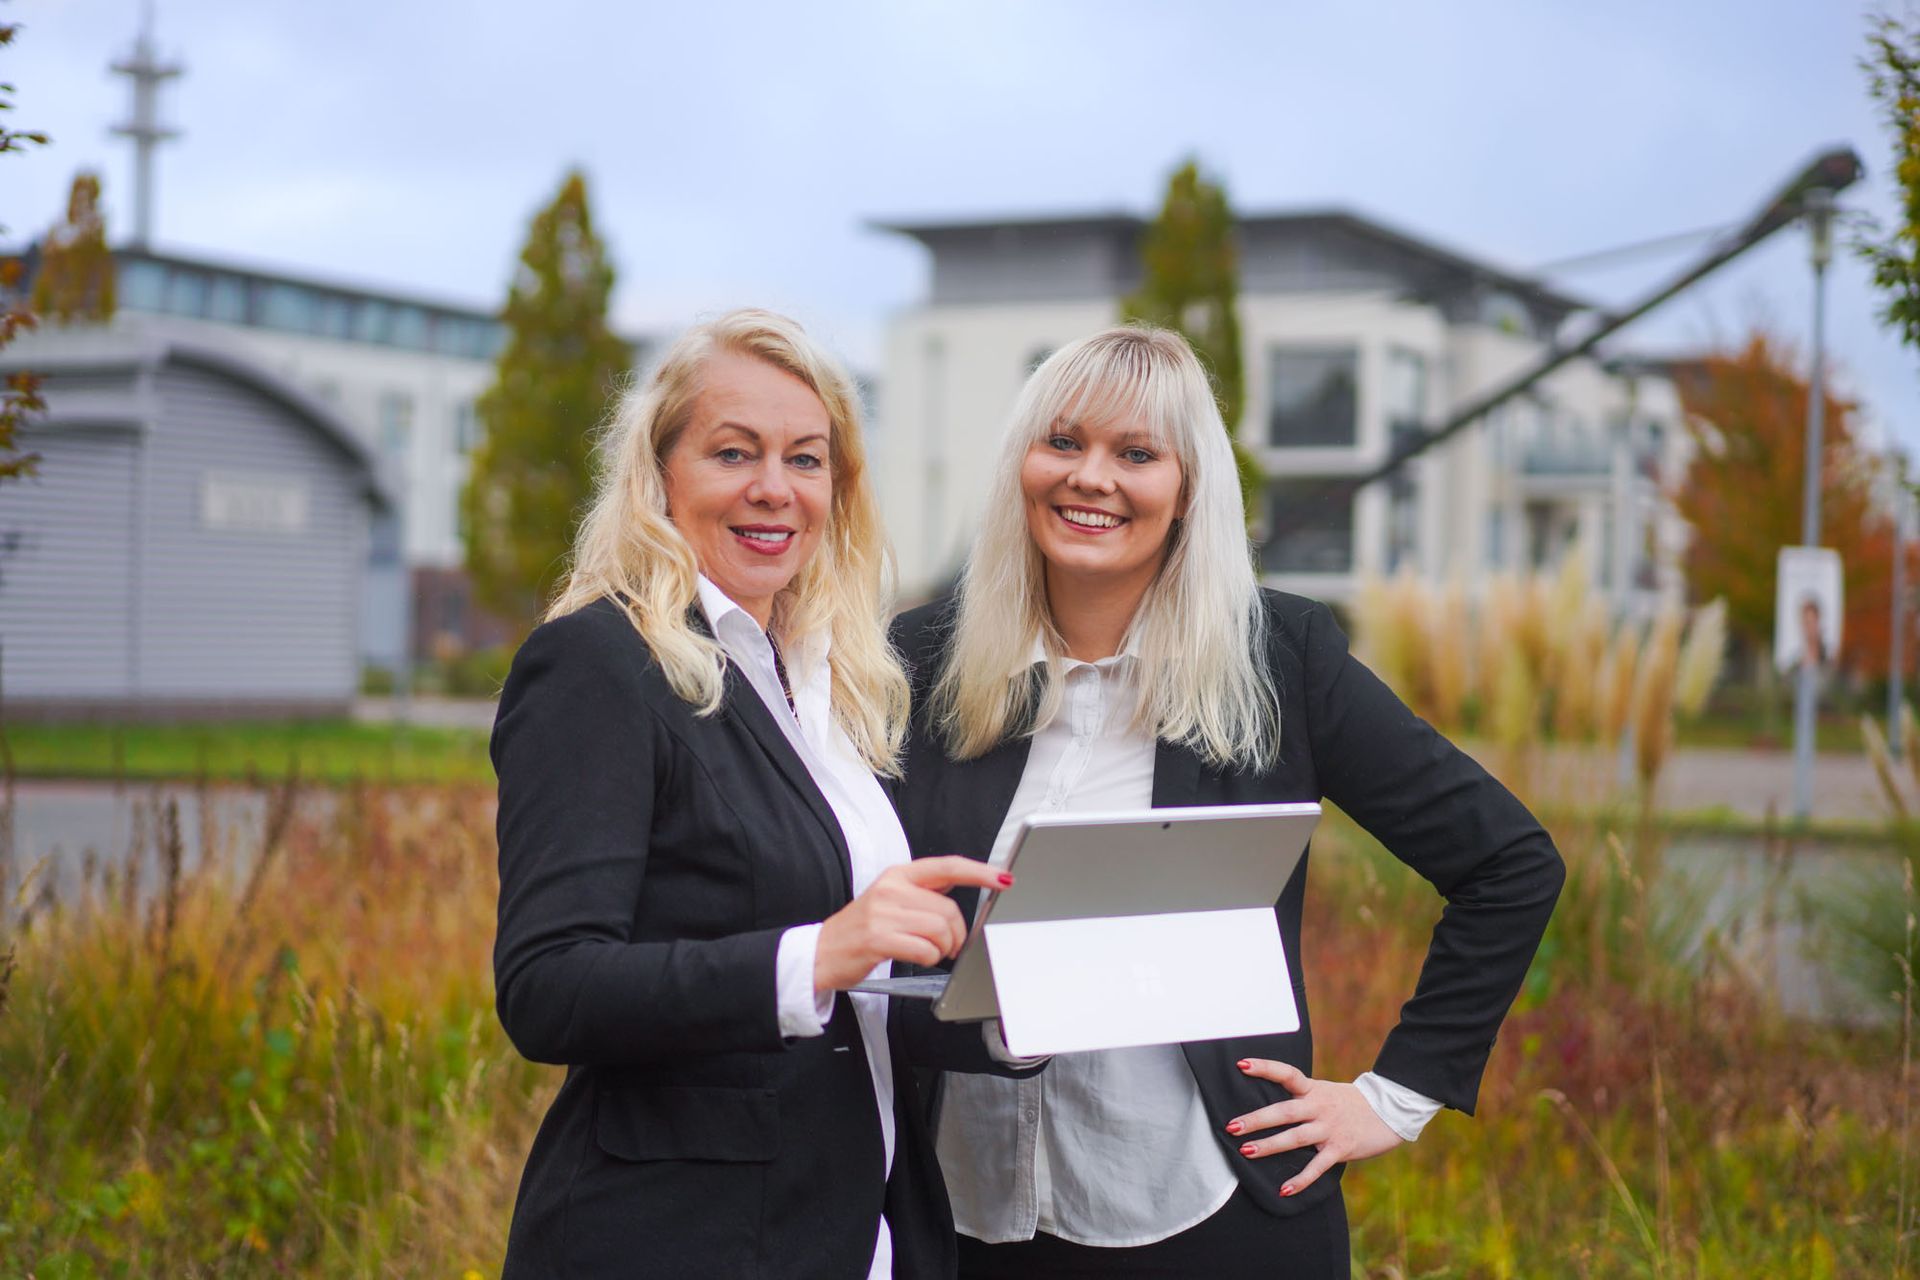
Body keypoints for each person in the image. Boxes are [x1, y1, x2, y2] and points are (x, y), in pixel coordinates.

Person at [890, 325, 1565, 1277]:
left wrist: (1395, 1095)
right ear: (1021, 464)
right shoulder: (919, 661)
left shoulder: (1278, 659)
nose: (1093, 477)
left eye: (1137, 454)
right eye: (1064, 442)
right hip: (961, 1218)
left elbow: (1509, 863)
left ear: (1188, 488)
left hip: (1209, 1210)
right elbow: (856, 930)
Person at [491, 309, 1023, 1279]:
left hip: (855, 1226)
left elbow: (849, 1004)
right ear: (660, 477)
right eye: (734, 452)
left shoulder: (827, 679)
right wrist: (818, 952)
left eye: (806, 459)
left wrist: (997, 1007)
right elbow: (548, 987)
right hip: (676, 1236)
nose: (775, 489)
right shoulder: (598, 661)